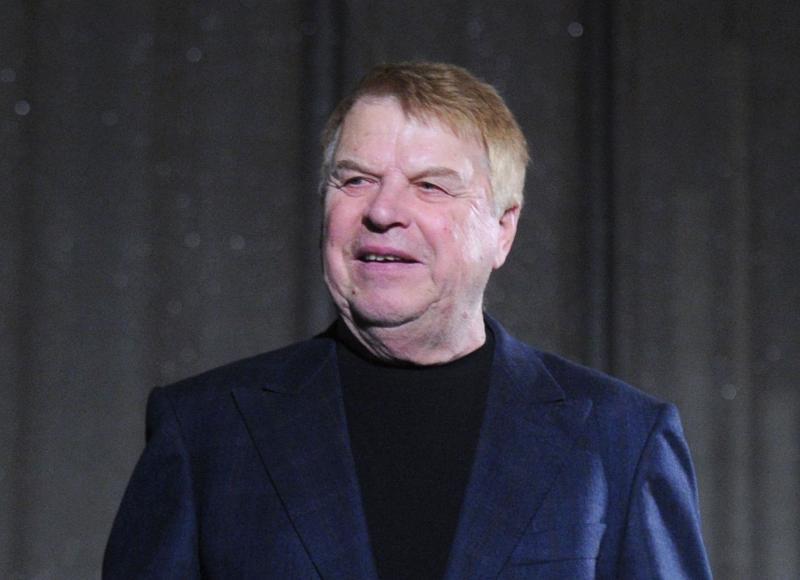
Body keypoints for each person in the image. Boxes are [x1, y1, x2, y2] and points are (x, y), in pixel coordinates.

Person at [104, 62, 712, 579]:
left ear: (503, 229)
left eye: (430, 186)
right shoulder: (205, 433)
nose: (384, 211)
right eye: (356, 179)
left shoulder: (621, 442)